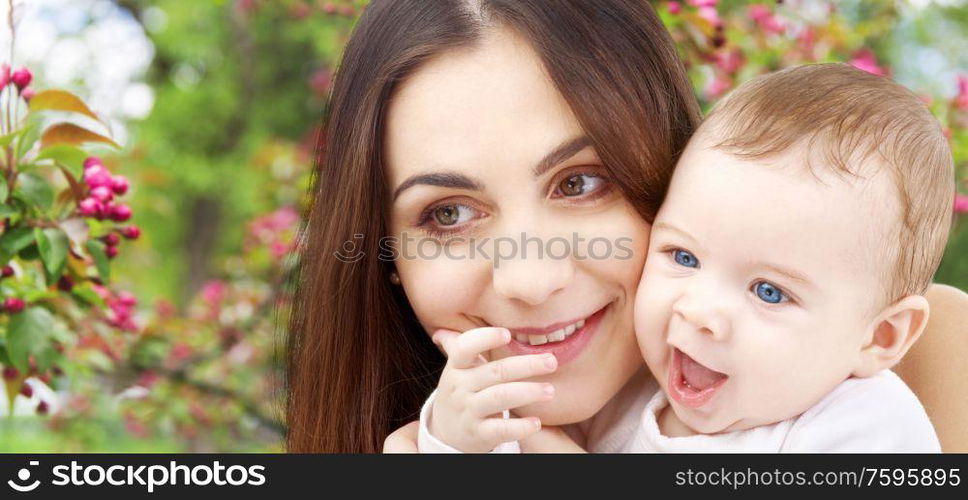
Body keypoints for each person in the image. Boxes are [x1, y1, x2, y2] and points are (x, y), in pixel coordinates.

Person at [282, 0, 968, 454]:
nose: (532, 277)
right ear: (389, 256)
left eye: (580, 182)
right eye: (449, 215)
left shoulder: (885, 396)